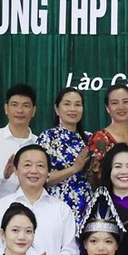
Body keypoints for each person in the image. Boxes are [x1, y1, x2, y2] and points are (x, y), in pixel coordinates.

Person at [0, 144, 79, 255]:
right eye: (27, 165)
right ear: (15, 170)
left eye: (40, 166)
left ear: (49, 171)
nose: (34, 171)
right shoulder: (0, 207)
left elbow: (71, 252)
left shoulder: (61, 209)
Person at [36, 87, 93, 229]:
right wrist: (74, 169)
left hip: (86, 205)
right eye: (67, 104)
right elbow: (41, 178)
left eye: (78, 104)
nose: (72, 109)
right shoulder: (47, 137)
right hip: (57, 205)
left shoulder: (90, 138)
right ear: (57, 109)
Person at [87, 83, 128, 186]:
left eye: (125, 102)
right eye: (115, 103)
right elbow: (94, 176)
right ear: (107, 108)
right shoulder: (100, 139)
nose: (121, 107)